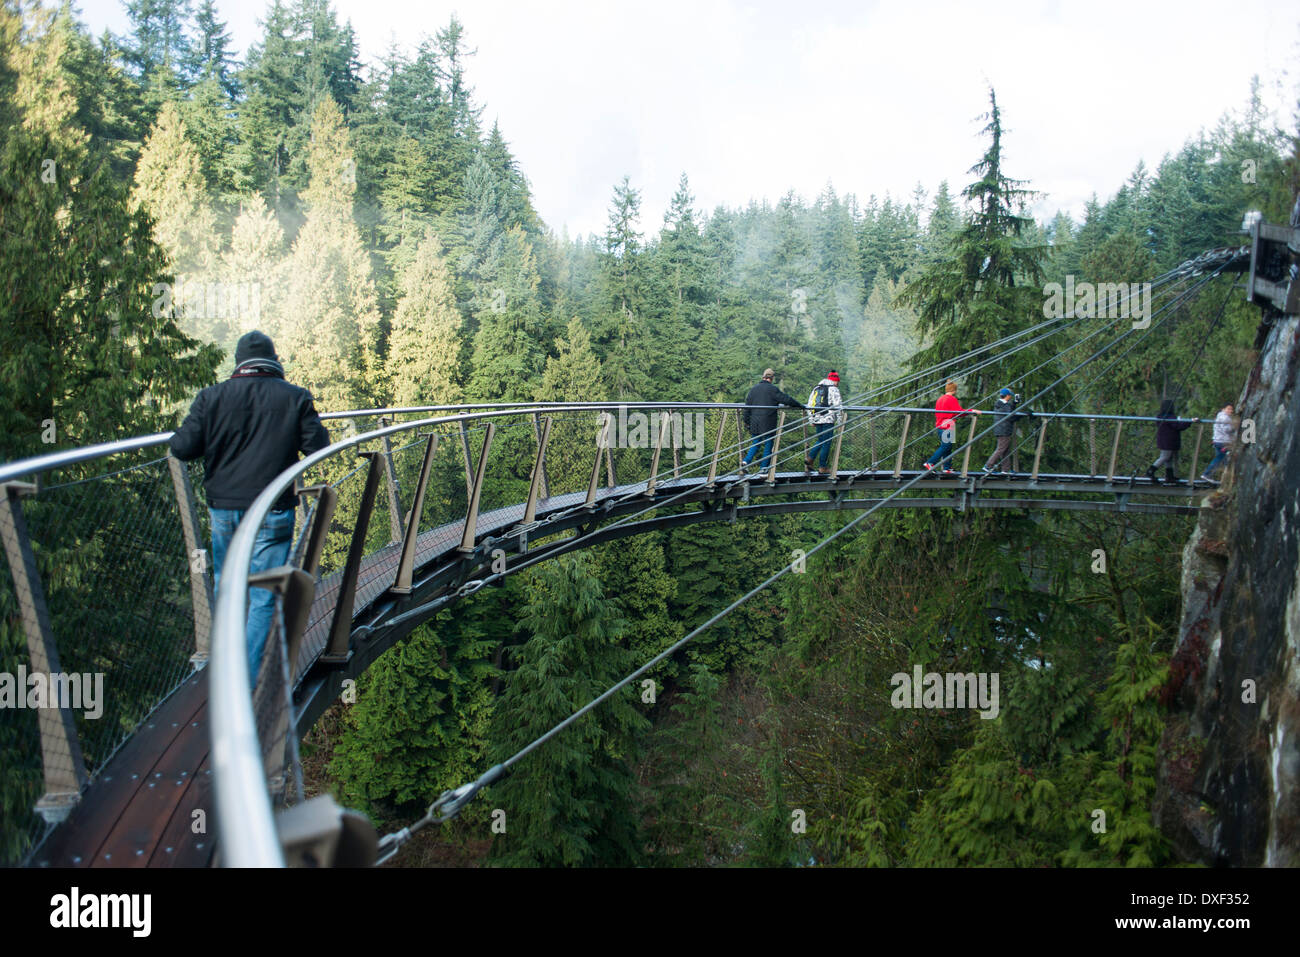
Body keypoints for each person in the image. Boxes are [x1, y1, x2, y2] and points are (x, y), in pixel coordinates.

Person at [170, 331, 331, 683]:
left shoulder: (211, 398)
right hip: (274, 509)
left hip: (225, 510)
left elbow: (181, 448)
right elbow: (317, 446)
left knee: (228, 589)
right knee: (263, 595)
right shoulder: (295, 397)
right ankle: (247, 677)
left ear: (238, 362)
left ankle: (225, 670)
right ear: (274, 360)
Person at [740, 368, 804, 473]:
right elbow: (786, 399)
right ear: (772, 378)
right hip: (768, 421)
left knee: (755, 442)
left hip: (755, 421)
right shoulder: (772, 389)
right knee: (768, 444)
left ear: (763, 377)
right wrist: (799, 405)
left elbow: (747, 408)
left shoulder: (753, 389)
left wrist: (746, 421)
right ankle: (763, 468)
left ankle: (746, 462)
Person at [923, 381, 979, 474]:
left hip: (940, 425)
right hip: (948, 425)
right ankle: (930, 462)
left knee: (947, 447)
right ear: (954, 390)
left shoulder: (940, 399)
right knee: (946, 446)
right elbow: (959, 412)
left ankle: (947, 467)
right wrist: (972, 411)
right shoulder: (951, 399)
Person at [982, 388, 1032, 474]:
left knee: (1005, 450)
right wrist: (1023, 414)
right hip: (1004, 429)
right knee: (1001, 449)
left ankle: (1006, 469)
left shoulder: (1000, 404)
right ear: (1008, 396)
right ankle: (988, 465)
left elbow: (1008, 410)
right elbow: (1011, 417)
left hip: (1001, 429)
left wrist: (1014, 403)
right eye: (1010, 396)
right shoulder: (1003, 406)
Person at [805, 370, 844, 477]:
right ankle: (822, 467)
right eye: (837, 381)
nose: (837, 384)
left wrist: (811, 419)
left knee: (821, 440)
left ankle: (810, 458)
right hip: (828, 419)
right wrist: (841, 422)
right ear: (834, 381)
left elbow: (809, 404)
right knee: (826, 442)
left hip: (817, 418)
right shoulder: (834, 389)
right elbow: (838, 407)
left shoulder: (816, 388)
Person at [1146, 398, 1192, 485]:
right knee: (1165, 457)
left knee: (1168, 458)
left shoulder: (1160, 417)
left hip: (1163, 440)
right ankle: (1150, 471)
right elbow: (1178, 426)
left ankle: (1169, 476)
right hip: (1169, 441)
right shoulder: (1170, 417)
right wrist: (1189, 422)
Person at [1200, 403, 1235, 482]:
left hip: (1218, 441)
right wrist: (1234, 427)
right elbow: (1226, 430)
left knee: (1224, 459)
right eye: (1228, 409)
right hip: (1223, 441)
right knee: (1220, 458)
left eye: (1231, 409)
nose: (1230, 411)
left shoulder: (1219, 417)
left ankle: (1228, 478)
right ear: (1223, 409)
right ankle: (1207, 474)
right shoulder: (1225, 418)